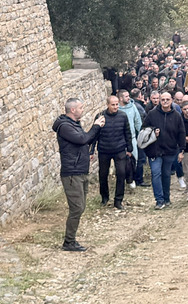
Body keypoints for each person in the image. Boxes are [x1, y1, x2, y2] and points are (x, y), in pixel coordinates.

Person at [52, 98, 105, 251]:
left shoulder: (74, 124)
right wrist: (95, 127)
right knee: (77, 208)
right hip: (72, 173)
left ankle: (71, 240)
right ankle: (69, 242)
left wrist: (98, 127)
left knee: (80, 207)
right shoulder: (65, 127)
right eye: (81, 108)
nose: (83, 110)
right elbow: (83, 139)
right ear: (73, 110)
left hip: (81, 170)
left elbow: (87, 140)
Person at [142, 92, 186, 209]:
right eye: (163, 99)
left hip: (169, 150)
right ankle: (159, 200)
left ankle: (166, 198)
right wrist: (153, 131)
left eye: (167, 99)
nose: (165, 101)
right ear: (159, 101)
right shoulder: (152, 114)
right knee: (156, 173)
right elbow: (143, 128)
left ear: (171, 100)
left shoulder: (177, 116)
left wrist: (181, 150)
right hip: (154, 150)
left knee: (166, 175)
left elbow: (181, 133)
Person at [90, 94, 133, 210]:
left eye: (117, 104)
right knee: (103, 174)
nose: (115, 107)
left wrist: (130, 149)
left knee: (121, 173)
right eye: (113, 105)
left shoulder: (123, 116)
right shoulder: (100, 116)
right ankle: (104, 197)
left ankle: (118, 200)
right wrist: (91, 151)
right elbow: (94, 134)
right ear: (107, 105)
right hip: (104, 150)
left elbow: (127, 133)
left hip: (119, 149)